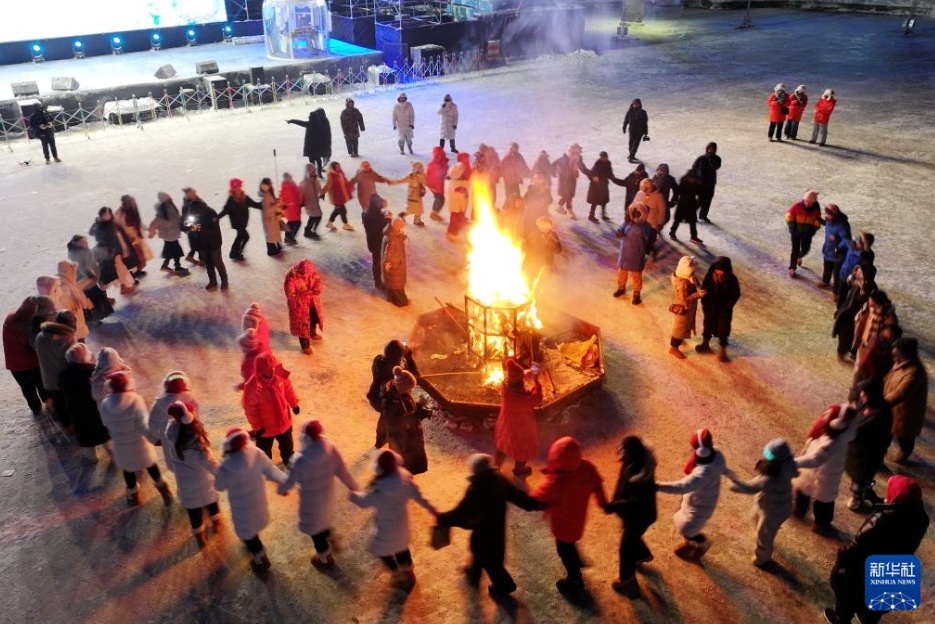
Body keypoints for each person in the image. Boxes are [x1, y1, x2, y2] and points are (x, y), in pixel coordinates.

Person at [823, 476, 929, 624]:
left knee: (849, 596)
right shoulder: (922, 519)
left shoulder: (881, 521)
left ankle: (841, 619)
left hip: (864, 572)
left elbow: (857, 548)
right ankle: (867, 619)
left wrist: (842, 554)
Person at [436, 453, 543, 597]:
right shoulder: (499, 480)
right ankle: (474, 571)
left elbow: (462, 512)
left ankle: (504, 585)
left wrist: (444, 518)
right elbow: (518, 496)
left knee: (491, 560)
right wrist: (535, 503)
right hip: (497, 527)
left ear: (474, 470)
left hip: (484, 529)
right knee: (480, 549)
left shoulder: (475, 489)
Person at [348, 449, 438, 589]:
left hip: (385, 526)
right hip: (401, 523)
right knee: (402, 548)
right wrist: (433, 510)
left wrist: (353, 495)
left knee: (380, 550)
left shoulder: (379, 488)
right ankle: (408, 570)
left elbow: (365, 502)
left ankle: (396, 572)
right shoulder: (405, 478)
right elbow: (420, 498)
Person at [531, 436, 608, 598]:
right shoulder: (587, 467)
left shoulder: (557, 481)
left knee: (564, 550)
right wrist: (602, 502)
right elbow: (598, 484)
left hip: (562, 524)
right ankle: (576, 560)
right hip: (578, 519)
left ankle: (574, 578)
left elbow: (538, 496)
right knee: (570, 544)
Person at [278, 420, 359, 569]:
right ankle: (329, 534)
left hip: (310, 502)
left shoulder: (300, 460)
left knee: (315, 530)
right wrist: (353, 486)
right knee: (324, 518)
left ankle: (324, 557)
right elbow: (342, 470)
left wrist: (282, 489)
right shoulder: (330, 448)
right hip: (327, 495)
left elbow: (290, 479)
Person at [214, 427, 288, 572]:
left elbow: (219, 486)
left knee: (248, 534)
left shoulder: (226, 466)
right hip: (258, 502)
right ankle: (254, 543)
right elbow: (271, 470)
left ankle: (260, 559)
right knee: (253, 526)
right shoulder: (256, 453)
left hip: (241, 508)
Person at [656, 429, 733, 561]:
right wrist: (730, 474)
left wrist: (656, 485)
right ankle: (690, 541)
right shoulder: (717, 453)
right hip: (697, 499)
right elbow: (723, 468)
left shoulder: (702, 474)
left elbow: (681, 487)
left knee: (687, 529)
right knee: (685, 522)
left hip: (700, 506)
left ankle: (701, 544)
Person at [99, 372, 173, 507]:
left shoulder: (104, 404)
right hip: (139, 445)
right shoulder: (135, 400)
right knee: (150, 465)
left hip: (121, 445)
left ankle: (133, 495)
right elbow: (143, 426)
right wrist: (155, 440)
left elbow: (105, 423)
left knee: (128, 470)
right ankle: (163, 489)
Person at [728, 439, 799, 568]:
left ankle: (762, 557)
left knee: (764, 533)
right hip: (767, 504)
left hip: (774, 511)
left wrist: (735, 483)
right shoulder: (789, 465)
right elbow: (795, 471)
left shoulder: (771, 478)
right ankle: (760, 538)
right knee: (754, 517)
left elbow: (751, 487)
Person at [792, 404, 857, 536]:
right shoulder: (841, 434)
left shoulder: (832, 443)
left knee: (823, 502)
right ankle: (802, 511)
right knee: (805, 492)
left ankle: (820, 524)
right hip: (815, 474)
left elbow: (814, 459)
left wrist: (791, 463)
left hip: (824, 476)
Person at [164, 401, 221, 548]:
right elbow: (209, 462)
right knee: (211, 501)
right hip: (203, 481)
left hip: (185, 480)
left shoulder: (171, 430)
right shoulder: (195, 443)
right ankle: (215, 520)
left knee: (194, 510)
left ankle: (199, 535)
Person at [605, 436, 657, 598]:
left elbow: (633, 502)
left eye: (625, 451)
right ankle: (642, 554)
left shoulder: (639, 477)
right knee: (632, 536)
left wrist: (615, 505)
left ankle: (627, 581)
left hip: (639, 515)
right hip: (635, 515)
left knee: (626, 547)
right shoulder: (633, 463)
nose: (622, 453)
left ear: (632, 453)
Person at [243, 352, 300, 466]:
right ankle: (265, 465)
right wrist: (257, 426)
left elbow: (288, 389)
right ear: (259, 371)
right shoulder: (252, 387)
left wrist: (294, 403)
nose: (271, 374)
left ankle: (289, 458)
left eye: (273, 370)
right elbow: (250, 409)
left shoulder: (280, 375)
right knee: (264, 449)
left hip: (284, 421)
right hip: (265, 427)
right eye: (267, 373)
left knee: (287, 444)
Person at [58, 343, 110, 463]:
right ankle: (111, 452)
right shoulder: (92, 371)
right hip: (95, 410)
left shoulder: (63, 374)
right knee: (103, 433)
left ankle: (91, 457)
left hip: (77, 411)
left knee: (86, 435)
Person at [845, 379, 892, 511]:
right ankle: (863, 491)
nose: (861, 396)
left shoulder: (879, 413)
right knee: (857, 473)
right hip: (857, 449)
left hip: (867, 453)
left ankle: (856, 498)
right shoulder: (869, 403)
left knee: (860, 477)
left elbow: (860, 429)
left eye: (864, 393)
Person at [494, 358, 542, 477]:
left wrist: (528, 372)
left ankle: (496, 466)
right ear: (521, 382)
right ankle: (520, 469)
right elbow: (538, 399)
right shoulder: (525, 400)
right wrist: (536, 381)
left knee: (503, 445)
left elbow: (515, 378)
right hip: (521, 430)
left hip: (507, 424)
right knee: (522, 449)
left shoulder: (505, 388)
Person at [367, 340, 419, 446]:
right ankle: (391, 441)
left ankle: (380, 441)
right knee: (394, 423)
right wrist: (409, 357)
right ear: (399, 358)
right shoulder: (396, 376)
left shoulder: (378, 361)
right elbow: (415, 377)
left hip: (379, 398)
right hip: (392, 402)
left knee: (384, 418)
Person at [884, 337, 927, 465]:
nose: (892, 352)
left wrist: (880, 404)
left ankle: (906, 450)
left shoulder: (915, 372)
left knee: (905, 435)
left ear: (904, 352)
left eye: (895, 350)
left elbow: (901, 393)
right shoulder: (899, 362)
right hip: (890, 407)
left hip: (906, 412)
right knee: (885, 433)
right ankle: (881, 452)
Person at [381, 366, 429, 475]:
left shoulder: (402, 394)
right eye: (409, 388)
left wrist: (419, 407)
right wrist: (415, 415)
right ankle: (403, 480)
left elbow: (408, 407)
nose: (411, 390)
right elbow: (394, 423)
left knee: (413, 464)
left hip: (411, 436)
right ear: (403, 387)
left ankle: (407, 476)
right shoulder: (390, 402)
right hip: (402, 440)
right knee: (405, 465)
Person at [3, 298, 47, 416]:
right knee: (41, 384)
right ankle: (47, 404)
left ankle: (35, 408)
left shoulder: (11, 317)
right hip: (30, 363)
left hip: (15, 365)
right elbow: (31, 345)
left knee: (27, 389)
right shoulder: (24, 325)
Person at [35, 310, 77, 429]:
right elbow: (73, 362)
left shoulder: (40, 336)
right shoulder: (68, 339)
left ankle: (67, 426)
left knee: (59, 404)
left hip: (48, 380)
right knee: (70, 404)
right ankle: (73, 425)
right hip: (65, 380)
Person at [182, 188, 228, 291]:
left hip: (214, 243)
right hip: (202, 244)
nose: (195, 217)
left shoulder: (211, 213)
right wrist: (187, 226)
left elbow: (213, 230)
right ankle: (213, 281)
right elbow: (186, 225)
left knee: (217, 262)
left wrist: (198, 228)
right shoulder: (193, 214)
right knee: (208, 263)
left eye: (196, 215)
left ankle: (224, 280)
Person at [148, 370, 198, 465]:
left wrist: (156, 437)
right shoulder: (191, 399)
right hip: (189, 435)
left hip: (167, 438)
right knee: (191, 459)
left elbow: (152, 423)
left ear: (166, 385)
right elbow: (197, 417)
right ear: (185, 384)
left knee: (174, 461)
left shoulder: (159, 403)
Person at [698, 256, 741, 362]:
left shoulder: (732, 279)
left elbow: (735, 294)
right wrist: (704, 301)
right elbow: (704, 288)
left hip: (723, 310)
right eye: (717, 270)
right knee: (707, 325)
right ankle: (705, 343)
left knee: (723, 329)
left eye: (721, 270)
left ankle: (723, 350)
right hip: (710, 307)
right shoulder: (709, 276)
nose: (719, 272)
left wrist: (727, 306)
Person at [90, 206, 139, 295]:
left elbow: (120, 237)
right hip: (109, 253)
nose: (107, 216)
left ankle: (126, 286)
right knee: (116, 271)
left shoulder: (113, 225)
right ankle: (125, 287)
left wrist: (125, 249)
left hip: (116, 252)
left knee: (121, 269)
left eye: (108, 213)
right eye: (105, 214)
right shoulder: (99, 226)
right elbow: (94, 234)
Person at [833, 263, 876, 362]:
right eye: (858, 271)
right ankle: (841, 353)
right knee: (844, 335)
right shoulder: (856, 282)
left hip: (859, 318)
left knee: (856, 336)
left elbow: (865, 298)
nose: (858, 274)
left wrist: (860, 286)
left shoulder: (869, 288)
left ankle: (852, 352)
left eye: (861, 273)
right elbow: (848, 283)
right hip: (847, 315)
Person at [283, 258, 325, 353]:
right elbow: (290, 295)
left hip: (312, 302)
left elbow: (318, 279)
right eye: (305, 273)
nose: (307, 275)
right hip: (299, 307)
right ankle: (305, 346)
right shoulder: (291, 278)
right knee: (302, 325)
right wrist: (304, 295)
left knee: (313, 319)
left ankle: (312, 333)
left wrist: (318, 287)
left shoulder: (311, 272)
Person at [668, 256, 706, 359]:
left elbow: (694, 282)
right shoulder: (682, 285)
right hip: (683, 308)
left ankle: (679, 338)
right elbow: (684, 299)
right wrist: (698, 295)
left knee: (683, 327)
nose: (693, 274)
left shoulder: (683, 275)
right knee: (680, 328)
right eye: (692, 272)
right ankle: (674, 347)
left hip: (687, 308)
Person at [613, 203, 650, 305]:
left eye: (638, 213)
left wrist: (638, 223)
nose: (635, 215)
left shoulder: (645, 226)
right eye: (634, 213)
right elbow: (618, 231)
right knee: (621, 273)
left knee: (636, 276)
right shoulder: (626, 223)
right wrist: (619, 233)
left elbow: (645, 237)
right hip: (624, 254)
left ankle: (636, 294)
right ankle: (621, 288)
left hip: (636, 255)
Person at [218, 179, 262, 261]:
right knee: (245, 236)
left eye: (239, 187)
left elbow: (255, 204)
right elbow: (224, 211)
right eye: (236, 188)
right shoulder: (230, 201)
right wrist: (216, 218)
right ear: (233, 190)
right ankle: (236, 252)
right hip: (237, 224)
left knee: (240, 237)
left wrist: (266, 204)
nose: (238, 189)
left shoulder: (244, 197)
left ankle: (234, 253)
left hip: (243, 222)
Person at [784, 189, 823, 278]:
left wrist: (812, 231)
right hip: (796, 233)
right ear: (804, 199)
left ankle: (799, 257)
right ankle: (792, 268)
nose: (808, 203)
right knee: (795, 250)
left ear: (814, 202)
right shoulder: (796, 206)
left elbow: (817, 220)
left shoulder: (816, 208)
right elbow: (788, 217)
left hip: (807, 233)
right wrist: (793, 229)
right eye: (806, 201)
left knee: (806, 249)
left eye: (810, 202)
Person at [148, 192, 189, 273]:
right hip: (170, 234)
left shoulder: (168, 206)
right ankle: (176, 266)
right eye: (168, 196)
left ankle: (167, 265)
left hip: (170, 234)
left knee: (171, 251)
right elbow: (158, 221)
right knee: (176, 250)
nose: (170, 197)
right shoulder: (165, 208)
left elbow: (177, 218)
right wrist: (151, 232)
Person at [55, 262, 93, 342]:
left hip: (75, 316)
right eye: (72, 271)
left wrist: (86, 281)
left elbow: (77, 290)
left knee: (79, 335)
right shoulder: (64, 287)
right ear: (68, 271)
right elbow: (65, 301)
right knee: (78, 337)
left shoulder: (67, 281)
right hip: (74, 317)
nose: (74, 274)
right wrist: (85, 303)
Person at [287, 108, 331, 174]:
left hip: (310, 147)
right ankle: (319, 174)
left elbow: (300, 122)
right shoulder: (319, 124)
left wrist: (291, 121)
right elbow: (325, 133)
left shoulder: (309, 124)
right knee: (318, 161)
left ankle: (314, 173)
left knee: (312, 161)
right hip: (317, 146)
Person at [362, 195, 393, 290]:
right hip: (377, 243)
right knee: (377, 262)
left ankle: (378, 280)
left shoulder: (366, 212)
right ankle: (378, 282)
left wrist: (383, 214)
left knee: (376, 260)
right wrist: (389, 218)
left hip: (371, 241)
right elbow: (380, 224)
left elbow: (377, 219)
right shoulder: (375, 216)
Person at [116, 195, 152, 275]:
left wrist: (148, 229)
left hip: (136, 236)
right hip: (129, 238)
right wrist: (126, 236)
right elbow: (119, 226)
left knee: (140, 256)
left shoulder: (133, 210)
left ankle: (137, 271)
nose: (134, 203)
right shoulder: (121, 213)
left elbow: (139, 223)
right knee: (134, 256)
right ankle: (133, 273)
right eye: (132, 202)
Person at [632, 177, 668, 256]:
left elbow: (662, 210)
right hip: (640, 221)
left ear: (651, 187)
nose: (644, 189)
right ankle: (640, 253)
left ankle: (650, 253)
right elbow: (634, 204)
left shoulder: (658, 196)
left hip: (652, 223)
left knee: (650, 241)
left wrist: (660, 222)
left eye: (646, 188)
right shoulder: (639, 193)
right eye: (642, 187)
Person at [819, 204, 851, 293]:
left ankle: (836, 292)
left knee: (837, 274)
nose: (827, 216)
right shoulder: (830, 221)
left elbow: (846, 240)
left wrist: (838, 246)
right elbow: (827, 224)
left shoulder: (842, 225)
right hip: (828, 250)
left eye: (829, 214)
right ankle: (825, 281)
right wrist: (820, 221)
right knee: (827, 267)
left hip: (837, 254)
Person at [579, 151, 616, 222]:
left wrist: (612, 177)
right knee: (594, 201)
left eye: (606, 157)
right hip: (596, 186)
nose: (606, 159)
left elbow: (609, 172)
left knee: (604, 200)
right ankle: (591, 215)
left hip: (604, 184)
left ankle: (603, 215)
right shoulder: (597, 164)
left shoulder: (608, 163)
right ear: (601, 158)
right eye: (604, 158)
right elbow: (591, 174)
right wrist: (594, 178)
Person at [668, 170, 703, 244]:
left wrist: (697, 205)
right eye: (691, 178)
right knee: (677, 220)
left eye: (694, 179)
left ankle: (694, 236)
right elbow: (677, 192)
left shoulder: (696, 184)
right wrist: (674, 201)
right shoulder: (683, 183)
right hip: (682, 204)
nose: (692, 180)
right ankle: (672, 232)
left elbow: (700, 194)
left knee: (692, 222)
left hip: (691, 205)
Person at [523, 216, 562, 280]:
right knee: (531, 280)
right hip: (534, 264)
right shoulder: (534, 235)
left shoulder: (554, 236)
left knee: (545, 282)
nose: (546, 232)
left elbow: (559, 250)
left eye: (547, 230)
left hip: (547, 264)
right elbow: (525, 247)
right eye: (543, 230)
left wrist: (552, 246)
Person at [382, 218, 410, 307]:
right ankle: (401, 302)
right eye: (401, 227)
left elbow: (397, 237)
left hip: (395, 263)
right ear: (398, 227)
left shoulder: (393, 233)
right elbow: (388, 252)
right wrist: (388, 263)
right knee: (397, 285)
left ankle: (391, 297)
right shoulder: (392, 239)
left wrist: (402, 236)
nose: (402, 229)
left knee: (392, 284)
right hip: (395, 265)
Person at [551, 144, 583, 220]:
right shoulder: (562, 159)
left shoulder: (576, 160)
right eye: (573, 153)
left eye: (577, 153)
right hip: (564, 182)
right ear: (569, 152)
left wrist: (590, 174)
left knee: (567, 196)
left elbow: (580, 170)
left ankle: (559, 207)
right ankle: (570, 211)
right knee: (568, 196)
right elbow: (552, 166)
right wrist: (555, 172)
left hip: (572, 182)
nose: (576, 155)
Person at [692, 142, 721, 223]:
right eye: (709, 148)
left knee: (708, 200)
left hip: (711, 183)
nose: (710, 150)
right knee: (700, 200)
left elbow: (716, 167)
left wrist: (711, 158)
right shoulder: (701, 158)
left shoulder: (717, 159)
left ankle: (703, 216)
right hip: (701, 183)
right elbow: (694, 168)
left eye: (712, 148)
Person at [322, 162, 355, 231]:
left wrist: (350, 186)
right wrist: (322, 192)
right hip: (336, 197)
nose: (338, 168)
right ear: (333, 168)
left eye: (339, 166)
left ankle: (330, 223)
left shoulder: (340, 172)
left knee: (338, 210)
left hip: (341, 196)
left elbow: (344, 180)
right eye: (337, 167)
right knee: (342, 210)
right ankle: (345, 224)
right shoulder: (331, 175)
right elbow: (328, 186)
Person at [394, 161, 428, 226]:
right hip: (412, 196)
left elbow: (424, 181)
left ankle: (416, 220)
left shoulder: (421, 174)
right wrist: (392, 182)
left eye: (422, 167)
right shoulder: (411, 176)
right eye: (420, 167)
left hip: (418, 195)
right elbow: (401, 180)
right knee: (412, 208)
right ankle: (402, 215)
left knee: (418, 209)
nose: (422, 168)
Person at [445, 157, 471, 241]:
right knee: (455, 219)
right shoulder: (454, 183)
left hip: (459, 205)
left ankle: (460, 227)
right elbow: (460, 190)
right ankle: (451, 233)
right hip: (456, 205)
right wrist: (467, 187)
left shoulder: (456, 181)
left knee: (459, 216)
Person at [258, 177, 284, 255]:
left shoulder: (268, 193)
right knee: (270, 234)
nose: (271, 184)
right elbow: (267, 209)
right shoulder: (265, 196)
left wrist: (277, 201)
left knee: (273, 232)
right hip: (268, 218)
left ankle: (276, 246)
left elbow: (271, 202)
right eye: (270, 183)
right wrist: (276, 204)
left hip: (272, 217)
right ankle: (271, 250)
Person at [299, 164, 323, 239]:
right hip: (308, 203)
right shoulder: (303, 183)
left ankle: (309, 230)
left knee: (314, 216)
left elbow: (319, 189)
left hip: (315, 201)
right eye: (313, 171)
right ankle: (309, 230)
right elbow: (300, 194)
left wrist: (321, 192)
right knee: (316, 216)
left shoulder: (316, 180)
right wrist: (300, 203)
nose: (315, 172)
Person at [425, 147, 449, 221]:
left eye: (441, 154)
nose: (439, 156)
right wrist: (431, 186)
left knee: (440, 198)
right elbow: (429, 175)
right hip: (435, 186)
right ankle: (434, 213)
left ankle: (434, 213)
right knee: (440, 199)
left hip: (441, 184)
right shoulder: (432, 164)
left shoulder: (443, 163)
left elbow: (445, 172)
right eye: (437, 155)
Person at [621, 98, 649, 162]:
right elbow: (626, 120)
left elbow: (645, 122)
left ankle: (631, 157)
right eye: (634, 104)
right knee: (630, 143)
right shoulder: (630, 111)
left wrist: (646, 131)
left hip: (640, 131)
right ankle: (631, 155)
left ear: (639, 104)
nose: (635, 105)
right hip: (632, 130)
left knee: (635, 144)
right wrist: (624, 127)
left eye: (636, 104)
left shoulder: (643, 112)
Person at [280, 173, 302, 245]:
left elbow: (298, 193)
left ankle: (290, 237)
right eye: (289, 177)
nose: (290, 178)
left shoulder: (293, 184)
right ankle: (288, 238)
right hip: (290, 209)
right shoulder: (284, 187)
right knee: (292, 223)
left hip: (296, 208)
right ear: (286, 178)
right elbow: (282, 199)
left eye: (291, 177)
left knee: (297, 223)